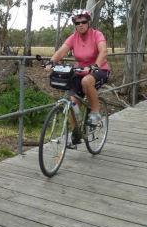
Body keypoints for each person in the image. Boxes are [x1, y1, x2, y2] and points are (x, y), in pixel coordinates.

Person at [45, 9, 110, 146]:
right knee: (73, 102)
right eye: (77, 22)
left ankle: (95, 113)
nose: (80, 25)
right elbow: (61, 51)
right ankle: (76, 134)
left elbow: (103, 51)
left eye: (83, 22)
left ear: (88, 22)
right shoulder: (74, 37)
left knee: (87, 81)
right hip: (80, 72)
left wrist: (95, 66)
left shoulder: (97, 35)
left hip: (100, 70)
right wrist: (52, 62)